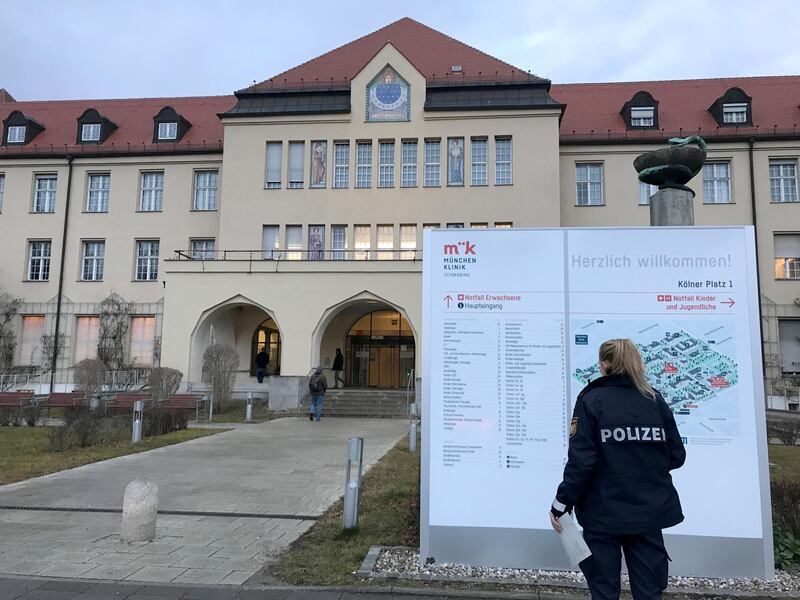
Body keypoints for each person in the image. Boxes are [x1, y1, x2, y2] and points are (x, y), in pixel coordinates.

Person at [549, 338, 686, 600]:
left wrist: (560, 504)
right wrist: (645, 467)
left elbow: (582, 463)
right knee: (649, 593)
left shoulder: (591, 401)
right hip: (649, 513)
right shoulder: (654, 400)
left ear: (604, 364)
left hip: (603, 515)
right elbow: (677, 455)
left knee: (604, 592)